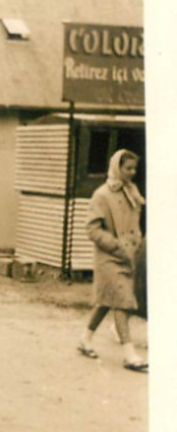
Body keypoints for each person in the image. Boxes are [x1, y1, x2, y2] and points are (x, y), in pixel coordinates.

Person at [77, 148, 147, 371]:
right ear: (117, 167)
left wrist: (136, 244)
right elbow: (92, 229)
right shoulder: (102, 195)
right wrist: (116, 245)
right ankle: (129, 354)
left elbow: (134, 223)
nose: (132, 172)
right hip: (109, 257)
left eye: (135, 168)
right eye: (128, 168)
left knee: (106, 302)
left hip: (129, 256)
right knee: (121, 301)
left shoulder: (132, 191)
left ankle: (85, 339)